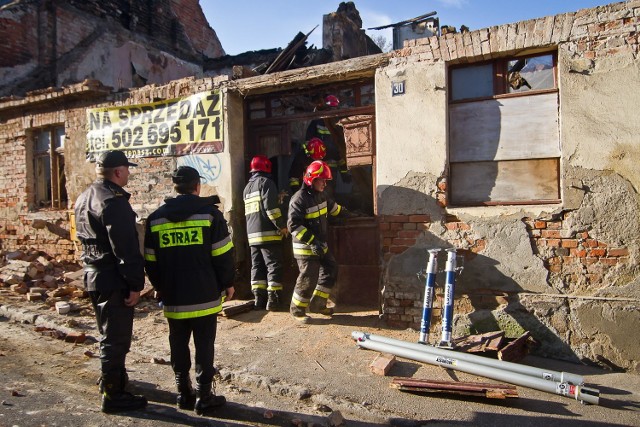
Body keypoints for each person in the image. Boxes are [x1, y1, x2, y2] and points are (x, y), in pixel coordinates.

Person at [143, 166, 235, 415]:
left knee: (178, 342)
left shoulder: (156, 219)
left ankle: (183, 393)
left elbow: (150, 261)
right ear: (197, 186)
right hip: (204, 295)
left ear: (175, 187)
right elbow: (223, 255)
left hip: (174, 297)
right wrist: (228, 283)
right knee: (204, 345)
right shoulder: (210, 216)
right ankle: (204, 397)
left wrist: (160, 287)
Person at [74, 150, 147, 413]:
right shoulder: (113, 201)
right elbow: (125, 248)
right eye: (127, 169)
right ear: (118, 172)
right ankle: (113, 394)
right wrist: (135, 284)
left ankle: (115, 381)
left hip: (94, 275)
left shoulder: (84, 197)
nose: (128, 173)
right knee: (116, 339)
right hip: (113, 279)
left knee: (108, 335)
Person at [287, 160, 354, 323]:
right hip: (305, 247)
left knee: (331, 268)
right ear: (311, 179)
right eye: (322, 180)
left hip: (320, 245)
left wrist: (347, 213)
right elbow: (293, 225)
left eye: (326, 180)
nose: (325, 183)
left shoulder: (321, 195)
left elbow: (333, 208)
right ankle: (297, 310)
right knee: (308, 277)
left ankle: (318, 304)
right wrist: (312, 241)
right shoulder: (299, 199)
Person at [243, 155, 289, 311]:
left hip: (252, 236)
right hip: (268, 233)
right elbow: (271, 209)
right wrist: (282, 226)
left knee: (257, 267)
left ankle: (258, 301)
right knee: (273, 265)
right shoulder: (267, 183)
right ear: (267, 168)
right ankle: (274, 302)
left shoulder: (247, 188)